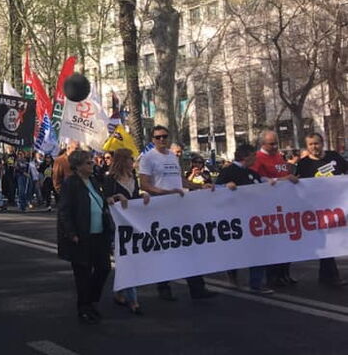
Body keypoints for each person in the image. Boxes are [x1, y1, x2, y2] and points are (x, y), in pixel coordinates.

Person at [139, 125, 216, 301]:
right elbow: (144, 184)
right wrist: (166, 193)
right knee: (165, 247)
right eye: (157, 137)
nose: (161, 140)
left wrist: (199, 186)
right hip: (161, 208)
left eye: (164, 136)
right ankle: (163, 287)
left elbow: (180, 179)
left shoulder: (173, 156)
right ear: (152, 140)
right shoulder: (148, 158)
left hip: (179, 207)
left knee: (188, 245)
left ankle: (197, 288)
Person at [57, 150, 113, 324]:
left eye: (91, 162)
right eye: (88, 163)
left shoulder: (94, 181)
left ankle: (92, 300)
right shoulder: (71, 183)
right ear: (78, 166)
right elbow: (64, 210)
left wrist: (110, 200)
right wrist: (71, 233)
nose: (92, 165)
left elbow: (100, 201)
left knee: (104, 268)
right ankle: (84, 307)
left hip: (99, 234)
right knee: (83, 273)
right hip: (82, 235)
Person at [215, 143, 280, 294]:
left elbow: (263, 181)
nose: (255, 159)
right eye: (253, 156)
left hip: (253, 220)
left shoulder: (250, 172)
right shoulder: (229, 171)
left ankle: (256, 283)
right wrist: (225, 186)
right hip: (235, 220)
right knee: (236, 250)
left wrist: (274, 181)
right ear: (245, 157)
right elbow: (215, 189)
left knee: (257, 250)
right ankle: (233, 275)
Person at [296, 132, 347, 287]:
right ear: (307, 147)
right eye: (311, 144)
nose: (314, 147)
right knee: (327, 241)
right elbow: (299, 185)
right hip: (318, 210)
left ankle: (326, 276)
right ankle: (331, 276)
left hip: (338, 206)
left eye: (316, 143)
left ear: (322, 143)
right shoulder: (304, 164)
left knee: (336, 239)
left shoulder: (334, 156)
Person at [102, 149, 149, 315]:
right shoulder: (110, 179)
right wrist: (116, 197)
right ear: (123, 160)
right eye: (131, 159)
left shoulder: (132, 177)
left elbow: (134, 198)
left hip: (131, 224)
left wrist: (143, 196)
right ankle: (133, 300)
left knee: (129, 260)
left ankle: (119, 292)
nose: (133, 161)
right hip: (117, 226)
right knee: (126, 260)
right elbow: (106, 200)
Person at [253, 128, 298, 286]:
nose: (275, 147)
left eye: (276, 143)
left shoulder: (279, 156)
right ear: (263, 144)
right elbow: (257, 180)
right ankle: (273, 276)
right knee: (274, 244)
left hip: (284, 204)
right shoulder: (257, 158)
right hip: (269, 206)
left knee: (287, 241)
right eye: (271, 144)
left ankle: (285, 273)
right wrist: (281, 180)